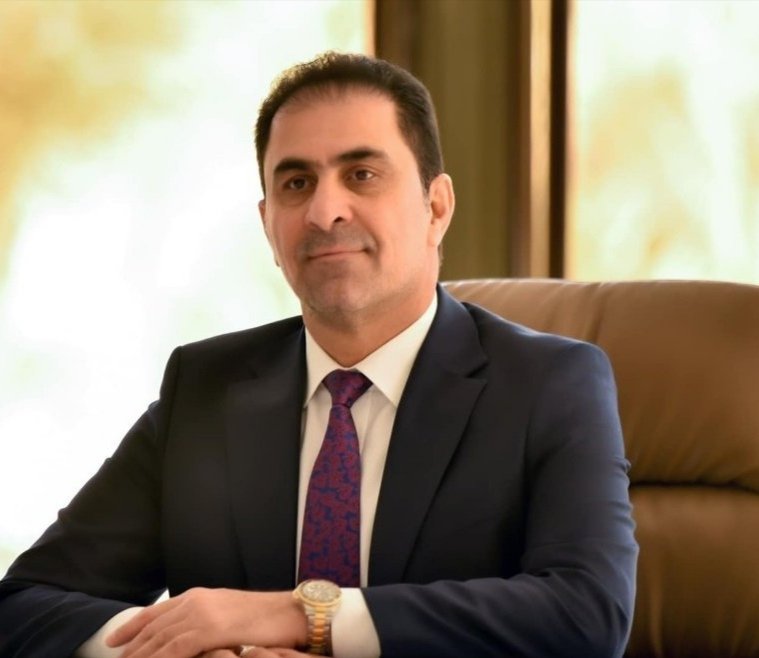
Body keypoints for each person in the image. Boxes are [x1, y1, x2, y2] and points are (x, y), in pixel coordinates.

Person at [0, 52, 638, 658]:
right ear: (268, 224)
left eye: (361, 175)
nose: (324, 211)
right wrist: (184, 648)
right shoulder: (204, 390)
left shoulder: (549, 384)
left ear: (436, 207)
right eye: (297, 183)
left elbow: (587, 614)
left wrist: (297, 615)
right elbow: (24, 604)